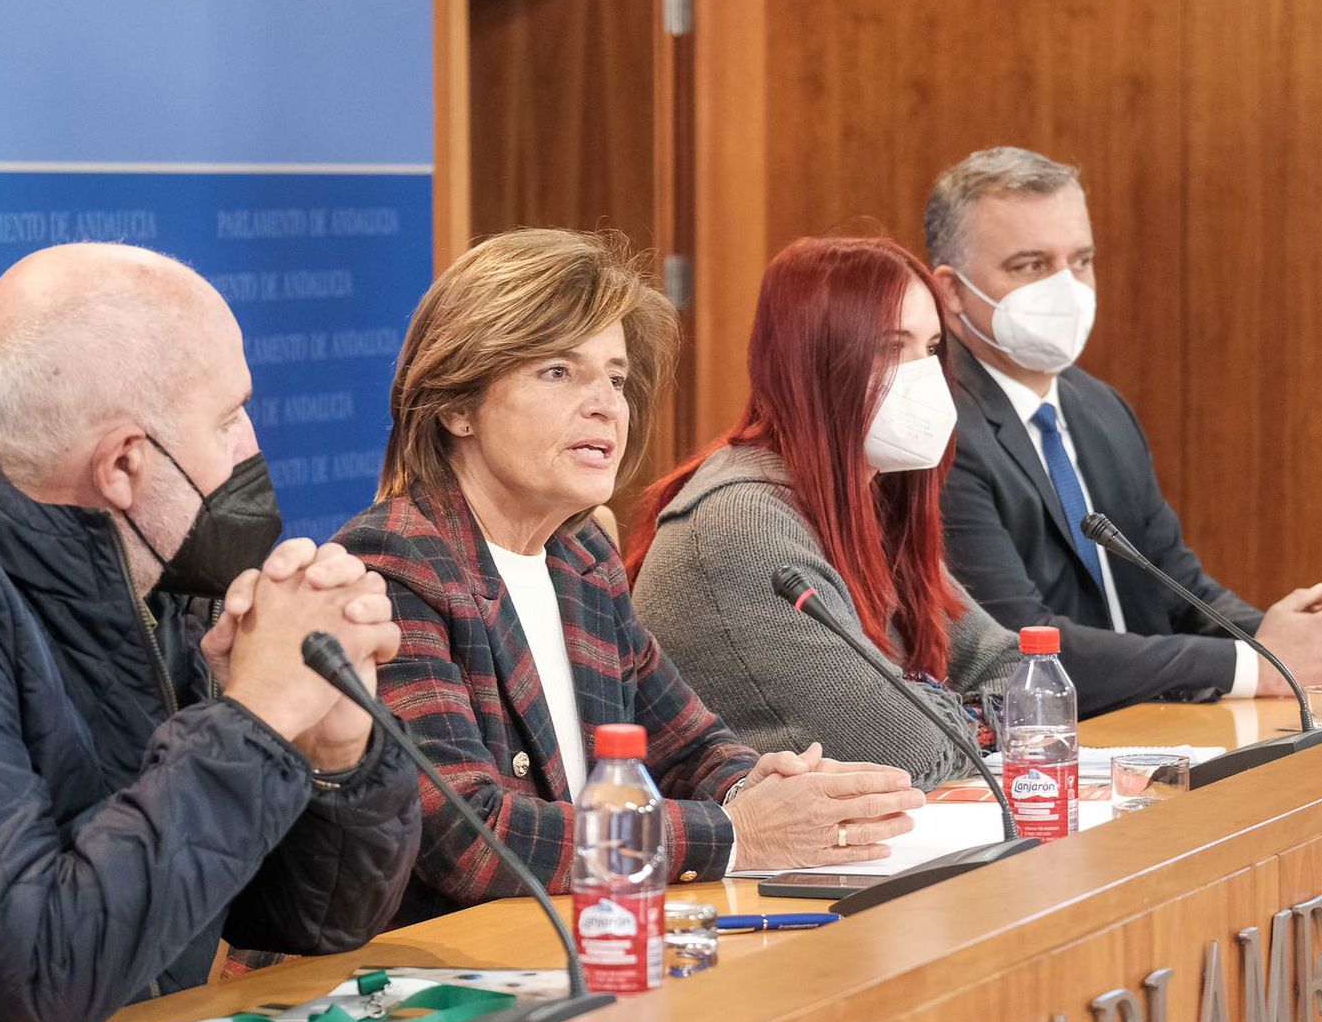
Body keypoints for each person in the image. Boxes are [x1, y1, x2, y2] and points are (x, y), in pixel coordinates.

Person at [0, 245, 419, 1022]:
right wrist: (251, 720)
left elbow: (309, 917)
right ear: (125, 466)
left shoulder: (137, 551)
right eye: (231, 419)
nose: (253, 446)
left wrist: (330, 749)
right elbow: (45, 961)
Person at [337, 228, 923, 925]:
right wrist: (736, 834)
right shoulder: (392, 564)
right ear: (456, 405)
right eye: (559, 371)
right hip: (423, 986)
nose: (606, 404)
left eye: (615, 377)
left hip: (577, 941)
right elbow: (471, 836)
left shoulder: (580, 559)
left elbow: (688, 743)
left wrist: (756, 788)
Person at [926, 147, 1322, 711]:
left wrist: (1299, 640)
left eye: (1081, 260)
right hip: (1046, 746)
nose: (1066, 287)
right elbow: (1020, 642)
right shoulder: (941, 428)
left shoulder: (1099, 408)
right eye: (1031, 265)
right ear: (951, 293)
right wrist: (1254, 665)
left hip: (1154, 730)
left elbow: (1177, 588)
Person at [630, 236, 1021, 790]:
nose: (925, 375)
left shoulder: (859, 499)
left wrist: (937, 704)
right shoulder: (741, 522)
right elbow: (909, 750)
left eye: (931, 348)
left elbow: (1020, 672)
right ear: (818, 364)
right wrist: (961, 711)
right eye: (891, 347)